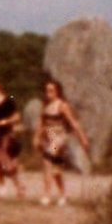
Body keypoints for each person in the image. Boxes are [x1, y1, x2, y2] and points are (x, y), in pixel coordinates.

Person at [34, 78, 89, 206]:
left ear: (57, 91)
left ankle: (47, 194)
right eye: (47, 90)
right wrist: (36, 137)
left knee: (47, 159)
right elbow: (41, 123)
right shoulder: (45, 106)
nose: (49, 93)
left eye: (51, 90)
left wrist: (83, 139)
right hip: (49, 136)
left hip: (60, 136)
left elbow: (73, 123)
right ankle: (63, 194)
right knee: (56, 169)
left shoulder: (62, 105)